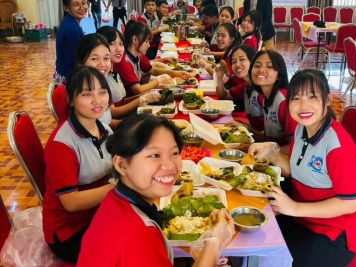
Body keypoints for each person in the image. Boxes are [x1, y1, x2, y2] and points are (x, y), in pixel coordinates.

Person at [77, 114, 235, 266]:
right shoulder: (140, 235)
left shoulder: (114, 200)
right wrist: (214, 242)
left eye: (174, 153)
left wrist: (205, 256)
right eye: (154, 155)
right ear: (122, 165)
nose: (169, 166)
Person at [248, 69, 356, 267]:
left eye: (312, 97)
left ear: (327, 100)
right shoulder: (303, 128)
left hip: (332, 232)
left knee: (269, 258)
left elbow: (349, 204)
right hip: (302, 217)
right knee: (252, 237)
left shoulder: (339, 148)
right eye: (296, 98)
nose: (303, 106)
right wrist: (273, 153)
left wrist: (293, 208)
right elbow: (298, 170)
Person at [42, 66, 115, 263]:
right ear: (71, 100)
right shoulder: (62, 144)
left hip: (100, 212)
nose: (97, 100)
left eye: (102, 92)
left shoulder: (103, 128)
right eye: (87, 94)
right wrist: (116, 188)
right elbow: (71, 202)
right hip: (70, 231)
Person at [115, 20, 193, 96]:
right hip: (132, 102)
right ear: (135, 39)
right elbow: (138, 90)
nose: (149, 45)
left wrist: (176, 73)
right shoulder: (124, 61)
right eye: (146, 41)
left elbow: (152, 70)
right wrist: (158, 81)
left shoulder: (138, 55)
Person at [54, 0, 87, 84]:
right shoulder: (72, 28)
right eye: (76, 4)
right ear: (66, 7)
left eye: (83, 3)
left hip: (62, 73)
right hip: (69, 78)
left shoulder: (69, 22)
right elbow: (77, 60)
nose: (82, 7)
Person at [215, 44, 255, 112]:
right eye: (234, 61)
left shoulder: (262, 87)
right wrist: (219, 79)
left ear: (253, 61)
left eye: (242, 59)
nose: (237, 64)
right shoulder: (246, 86)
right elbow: (225, 96)